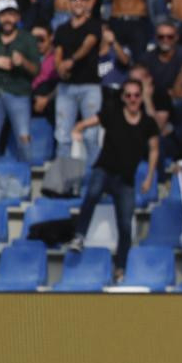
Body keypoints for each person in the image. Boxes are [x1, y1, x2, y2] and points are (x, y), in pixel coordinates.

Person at [68, 77, 159, 281]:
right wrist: (78, 128)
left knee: (125, 225)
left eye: (137, 95)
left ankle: (120, 268)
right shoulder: (113, 113)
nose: (133, 99)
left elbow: (154, 150)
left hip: (126, 179)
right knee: (91, 194)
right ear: (123, 98)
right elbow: (90, 121)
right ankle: (79, 236)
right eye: (128, 95)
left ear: (141, 97)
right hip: (105, 169)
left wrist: (149, 177)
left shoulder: (148, 123)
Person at [0, 0, 39, 162]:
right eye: (3, 14)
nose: (7, 19)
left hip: (19, 93)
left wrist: (23, 62)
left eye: (11, 14)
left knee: (24, 139)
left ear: (18, 17)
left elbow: (36, 69)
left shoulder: (27, 39)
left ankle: (25, 180)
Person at [53, 0, 102, 165]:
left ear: (88, 1)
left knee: (91, 136)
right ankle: (61, 185)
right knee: (62, 136)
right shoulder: (62, 29)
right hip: (66, 87)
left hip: (89, 86)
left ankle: (94, 182)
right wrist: (59, 67)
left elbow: (87, 45)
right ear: (69, 2)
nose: (78, 2)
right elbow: (57, 51)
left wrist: (70, 62)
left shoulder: (94, 25)